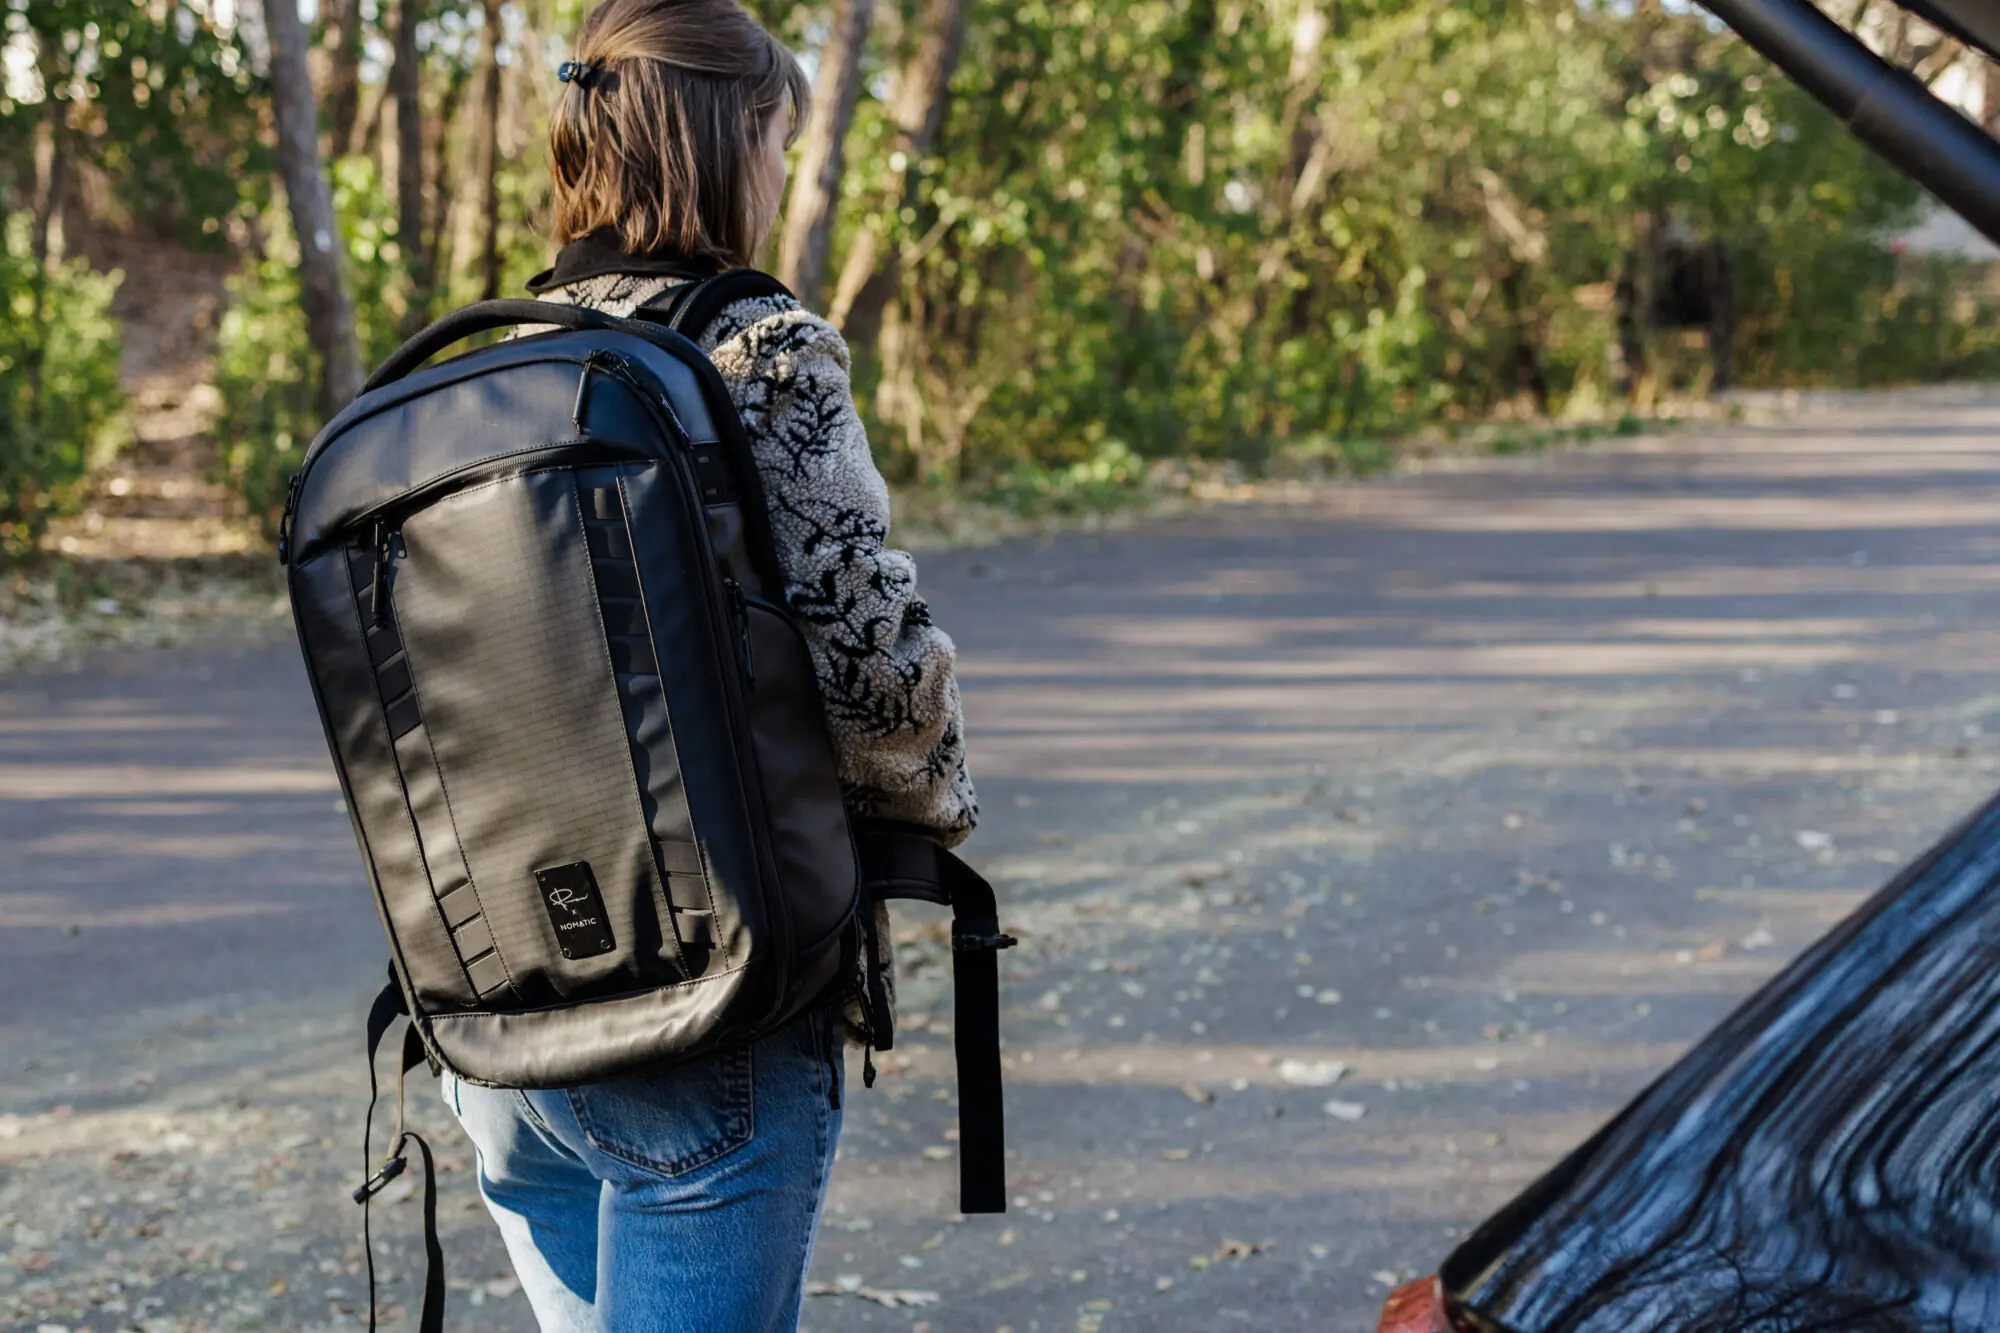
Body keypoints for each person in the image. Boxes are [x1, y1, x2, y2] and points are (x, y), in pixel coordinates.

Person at [437, 2, 978, 1328]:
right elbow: (871, 672)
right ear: (736, 138)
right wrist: (933, 811)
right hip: (703, 1011)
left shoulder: (513, 356)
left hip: (500, 1015)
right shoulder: (754, 346)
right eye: (780, 141)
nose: (784, 174)